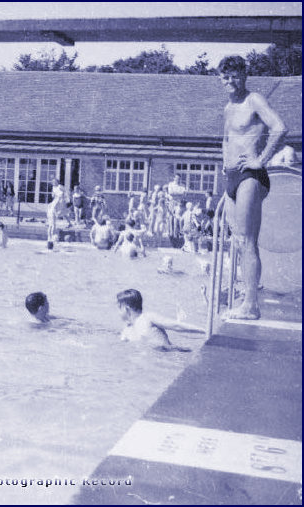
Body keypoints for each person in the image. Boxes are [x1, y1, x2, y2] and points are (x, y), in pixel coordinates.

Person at [219, 55, 287, 320]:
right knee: (238, 240)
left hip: (251, 175)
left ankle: (251, 305)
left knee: (248, 241)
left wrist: (261, 160)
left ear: (244, 75)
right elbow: (227, 140)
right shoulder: (228, 107)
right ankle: (246, 295)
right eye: (225, 77)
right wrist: (225, 168)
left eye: (234, 75)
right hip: (232, 177)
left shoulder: (254, 100)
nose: (230, 81)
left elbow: (280, 128)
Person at [117, 289, 204, 351]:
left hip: (173, 355)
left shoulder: (147, 318)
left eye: (119, 308)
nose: (118, 312)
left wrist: (204, 331)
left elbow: (176, 326)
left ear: (126, 309)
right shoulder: (127, 331)